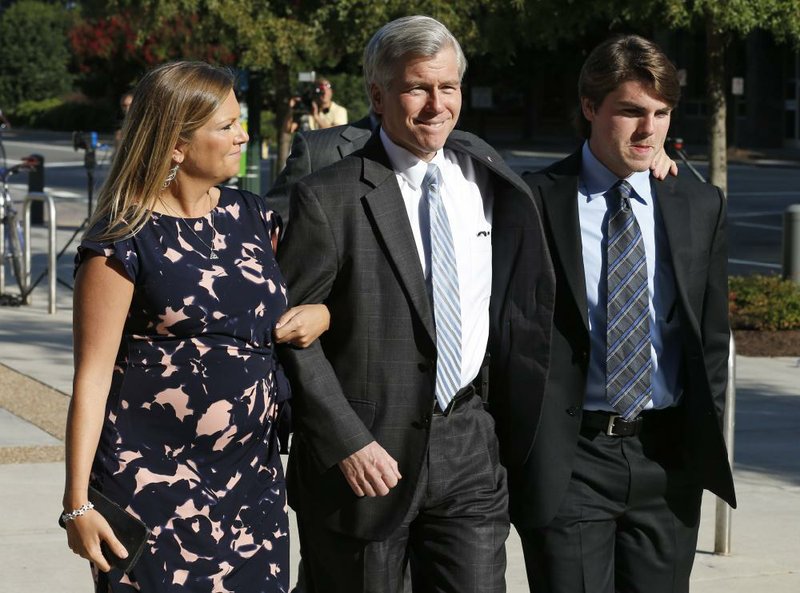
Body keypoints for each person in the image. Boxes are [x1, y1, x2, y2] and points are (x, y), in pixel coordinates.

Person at [276, 15, 556, 593]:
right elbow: (292, 335)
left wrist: (651, 165)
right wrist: (344, 439)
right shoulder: (327, 196)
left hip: (469, 443)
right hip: (365, 459)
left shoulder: (486, 175)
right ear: (377, 96)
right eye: (417, 88)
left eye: (447, 87)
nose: (436, 105)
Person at [62, 61, 329, 593]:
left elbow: (302, 296)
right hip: (151, 491)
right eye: (226, 126)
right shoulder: (122, 240)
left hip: (252, 484)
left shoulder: (251, 215)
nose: (243, 135)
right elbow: (90, 379)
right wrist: (77, 505)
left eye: (240, 121)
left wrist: (323, 313)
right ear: (177, 145)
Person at [498, 34, 736, 593]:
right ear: (589, 107)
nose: (648, 129)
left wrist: (696, 446)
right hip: (571, 459)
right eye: (630, 111)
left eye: (660, 113)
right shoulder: (531, 200)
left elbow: (711, 339)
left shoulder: (699, 204)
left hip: (666, 460)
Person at [266, 114, 375, 220]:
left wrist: (317, 117)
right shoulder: (313, 150)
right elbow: (273, 221)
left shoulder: (338, 111)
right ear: (376, 97)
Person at [282, 77, 348, 135]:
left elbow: (337, 133)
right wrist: (291, 109)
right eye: (320, 90)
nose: (324, 93)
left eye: (327, 89)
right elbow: (288, 129)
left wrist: (316, 117)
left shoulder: (339, 111)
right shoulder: (307, 109)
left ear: (331, 92)